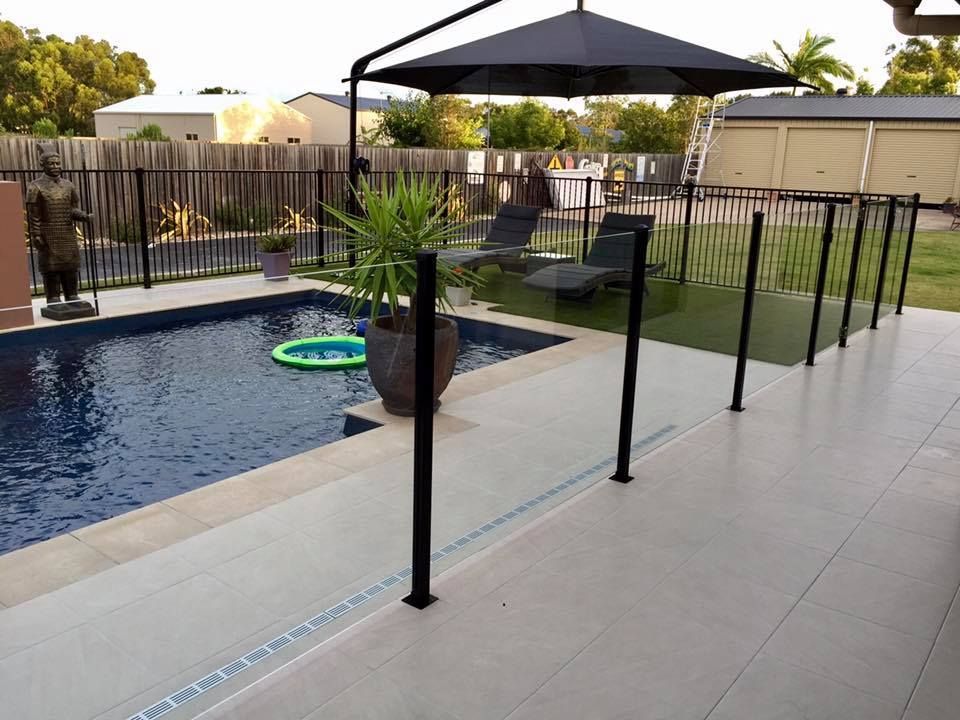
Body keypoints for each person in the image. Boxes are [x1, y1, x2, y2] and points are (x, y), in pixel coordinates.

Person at [26, 146, 93, 307]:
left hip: (67, 233)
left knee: (70, 266)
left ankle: (72, 295)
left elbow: (72, 209)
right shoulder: (35, 186)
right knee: (51, 269)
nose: (55, 166)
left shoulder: (68, 185)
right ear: (43, 165)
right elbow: (33, 214)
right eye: (51, 163)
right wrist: (36, 234)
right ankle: (53, 298)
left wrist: (84, 216)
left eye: (58, 163)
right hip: (48, 233)